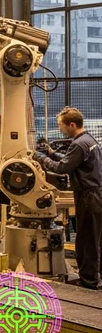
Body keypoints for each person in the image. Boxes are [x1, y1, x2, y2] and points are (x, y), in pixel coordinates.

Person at [35, 107, 102, 289]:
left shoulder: (78, 144)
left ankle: (89, 282)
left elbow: (61, 168)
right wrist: (50, 153)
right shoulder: (88, 140)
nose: (61, 129)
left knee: (86, 240)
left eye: (61, 126)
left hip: (88, 197)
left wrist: (40, 158)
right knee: (95, 238)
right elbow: (71, 161)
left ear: (71, 124)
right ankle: (95, 277)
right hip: (96, 193)